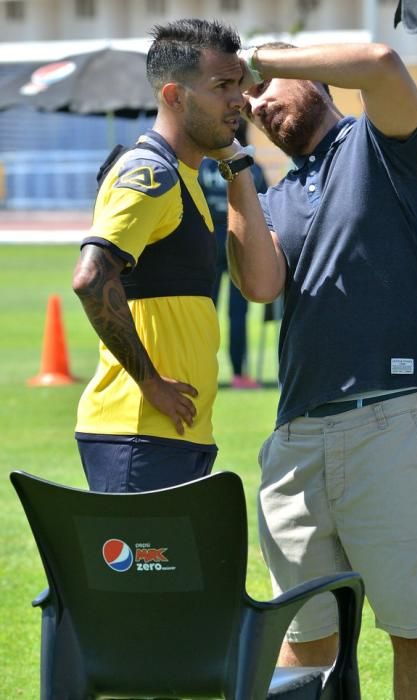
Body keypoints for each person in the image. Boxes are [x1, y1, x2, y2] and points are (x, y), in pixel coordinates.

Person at [219, 41, 417, 699]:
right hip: (298, 437)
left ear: (312, 79)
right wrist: (236, 164)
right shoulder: (274, 195)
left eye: (265, 88)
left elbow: (382, 62)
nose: (257, 105)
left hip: (397, 417)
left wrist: (259, 57)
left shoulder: (381, 143)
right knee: (303, 640)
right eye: (246, 103)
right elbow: (261, 286)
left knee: (414, 629)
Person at [71, 18, 245, 492]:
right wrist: (149, 382)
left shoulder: (185, 175)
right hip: (137, 432)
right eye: (222, 86)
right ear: (174, 96)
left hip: (172, 434)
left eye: (240, 84)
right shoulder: (152, 174)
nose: (239, 99)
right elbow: (91, 277)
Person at [198, 119, 268, 388]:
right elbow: (262, 209)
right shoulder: (252, 169)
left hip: (207, 246)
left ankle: (202, 371)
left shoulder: (202, 167)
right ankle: (240, 374)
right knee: (237, 315)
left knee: (205, 312)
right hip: (239, 245)